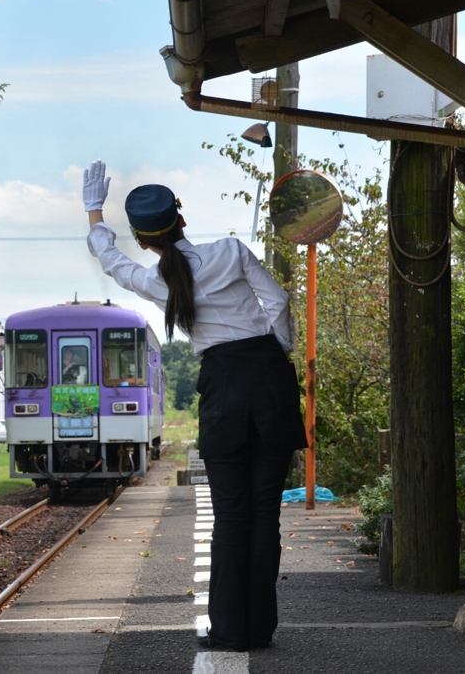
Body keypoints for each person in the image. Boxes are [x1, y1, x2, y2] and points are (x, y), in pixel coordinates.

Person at [81, 159, 307, 651]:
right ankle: (261, 628)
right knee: (265, 515)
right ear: (181, 217)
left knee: (231, 516)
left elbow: (113, 263)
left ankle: (230, 631)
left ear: (144, 240)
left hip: (222, 387)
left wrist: (94, 211)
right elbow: (281, 302)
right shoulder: (230, 250)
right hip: (269, 378)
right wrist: (277, 349)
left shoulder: (157, 282)